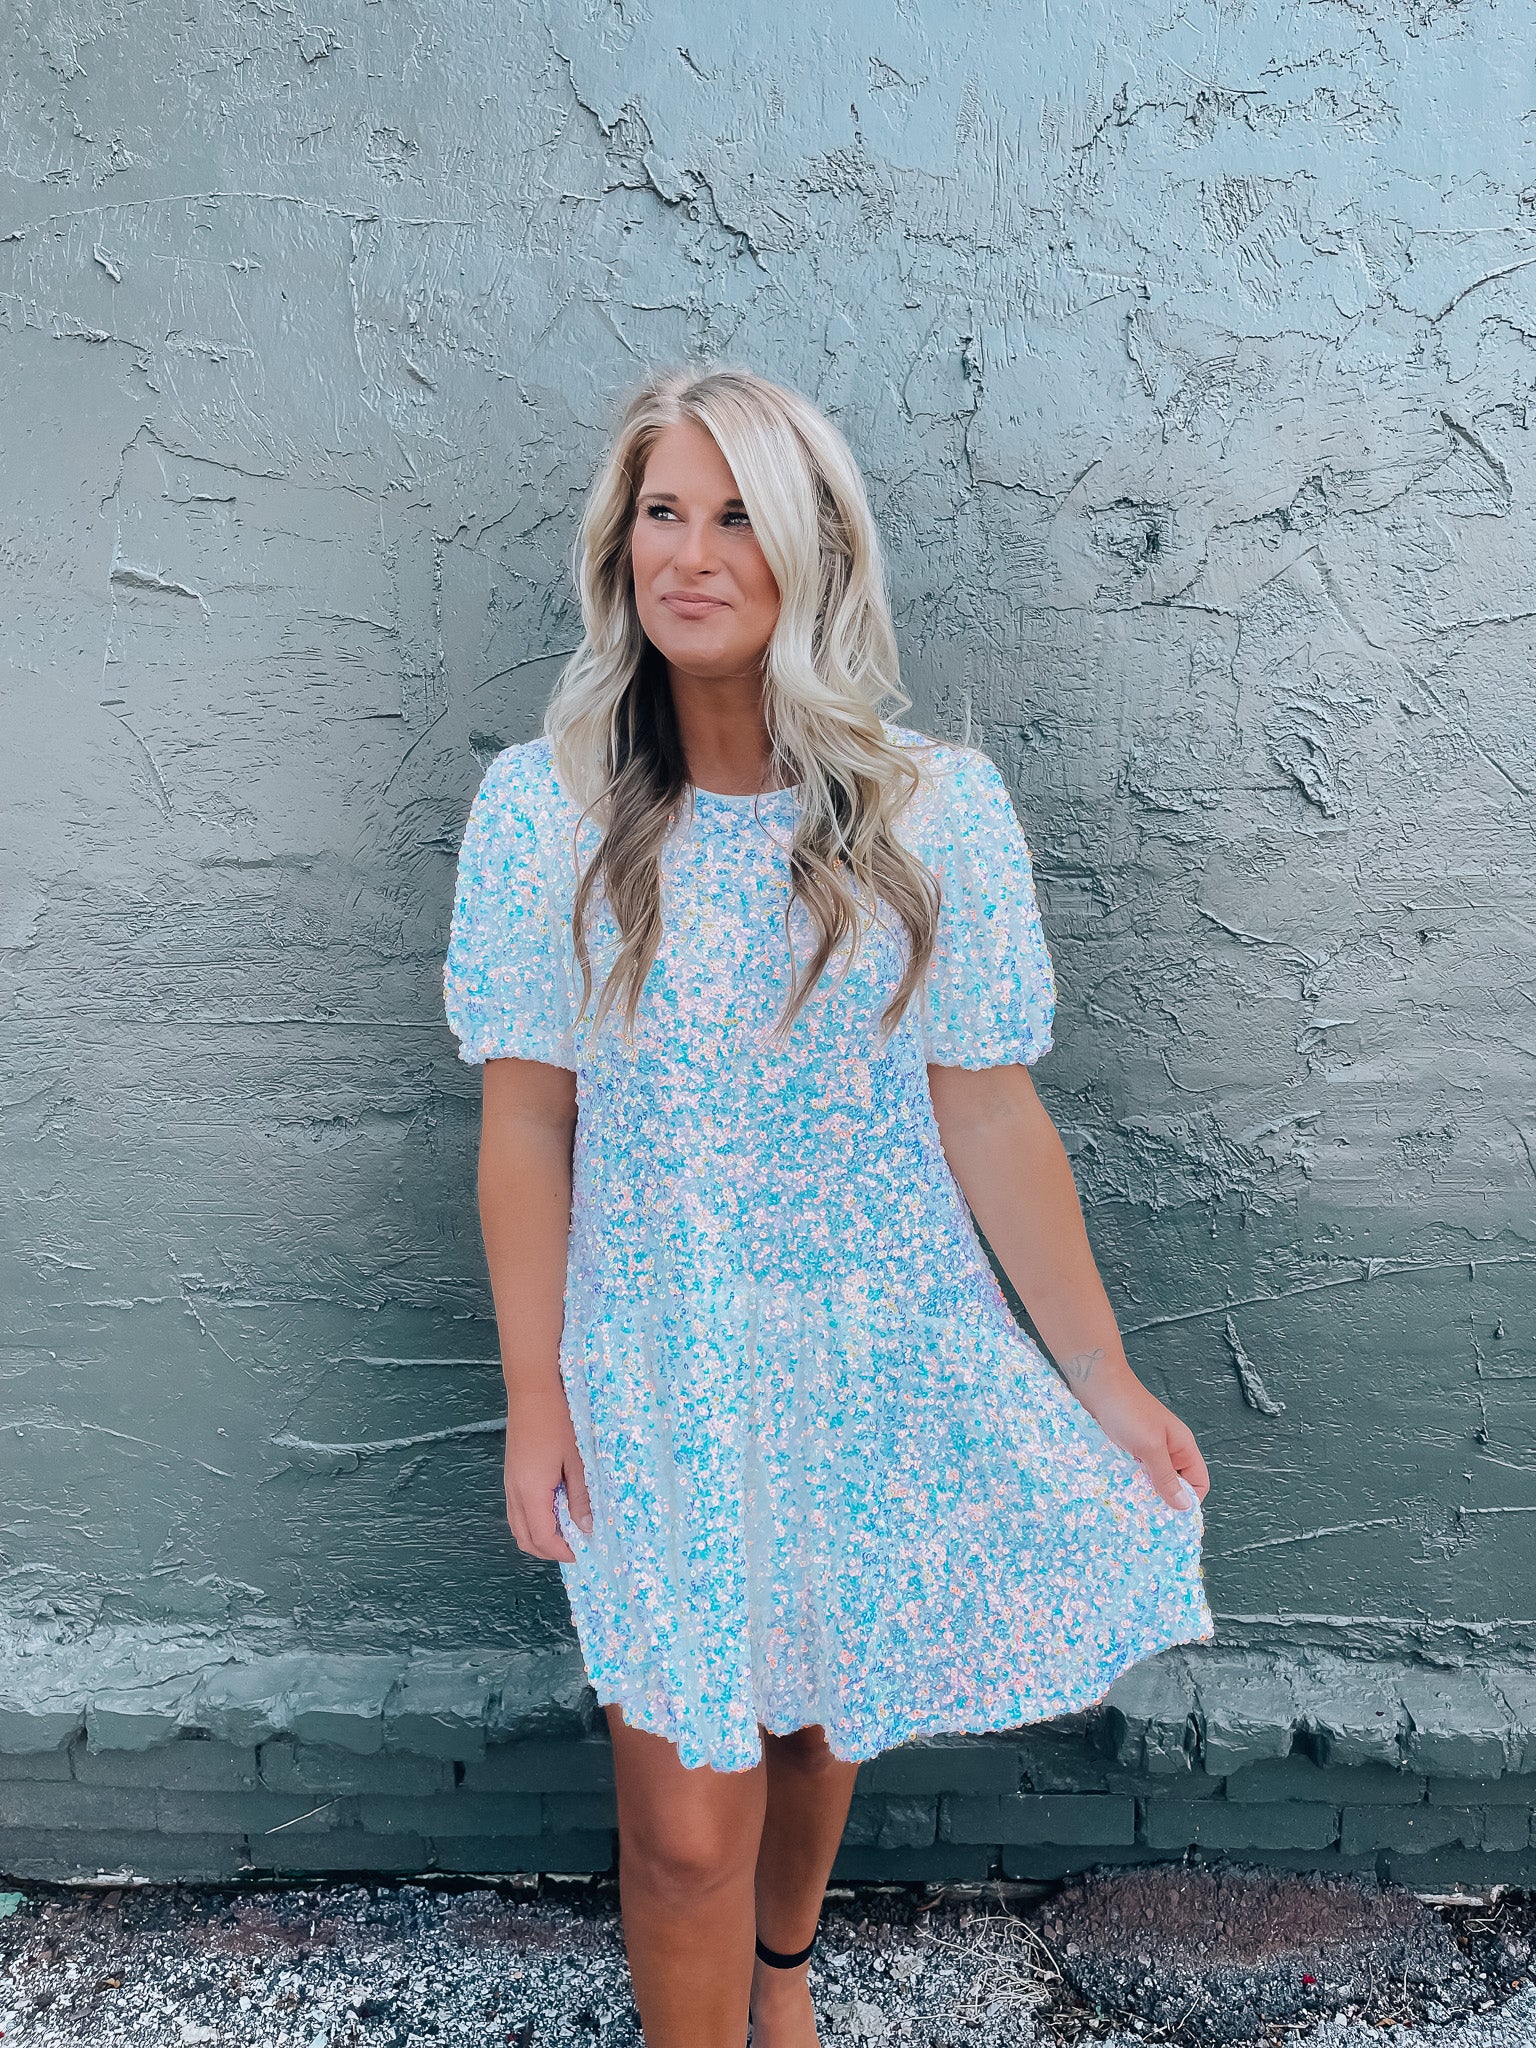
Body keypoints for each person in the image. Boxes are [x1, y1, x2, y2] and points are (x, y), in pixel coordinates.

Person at [443, 364, 1214, 2048]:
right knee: (682, 1825)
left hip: (872, 1353)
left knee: (810, 1724)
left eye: (738, 518)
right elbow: (525, 1127)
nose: (691, 554)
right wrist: (535, 1396)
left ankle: (783, 1979)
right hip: (658, 1366)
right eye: (662, 513)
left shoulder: (934, 813)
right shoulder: (545, 814)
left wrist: (1100, 1376)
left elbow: (990, 1111)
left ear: (813, 552)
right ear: (619, 545)